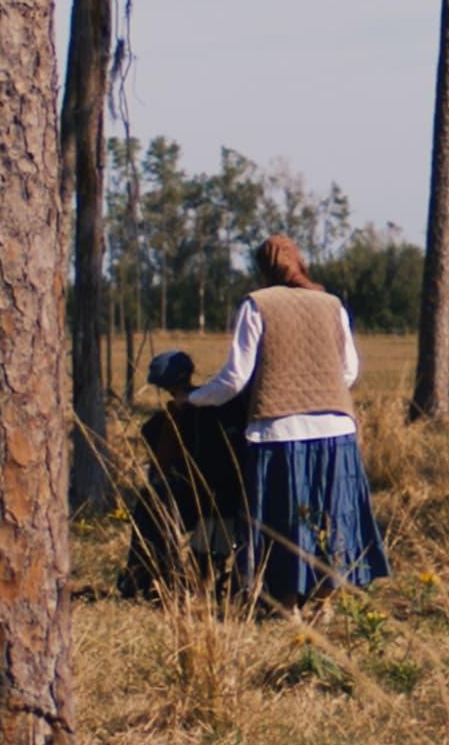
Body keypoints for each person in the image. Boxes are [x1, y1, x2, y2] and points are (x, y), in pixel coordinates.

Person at [181, 234, 390, 606]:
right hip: (335, 430)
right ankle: (325, 600)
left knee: (282, 525)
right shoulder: (331, 304)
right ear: (300, 261)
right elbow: (349, 372)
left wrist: (193, 398)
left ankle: (288, 606)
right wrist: (317, 392)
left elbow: (234, 379)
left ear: (262, 268)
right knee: (334, 519)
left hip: (277, 432)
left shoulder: (257, 305)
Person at [117, 350, 249, 600]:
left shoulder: (165, 422)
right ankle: (198, 581)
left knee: (153, 502)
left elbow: (162, 468)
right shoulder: (228, 405)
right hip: (227, 498)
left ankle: (146, 579)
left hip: (207, 500)